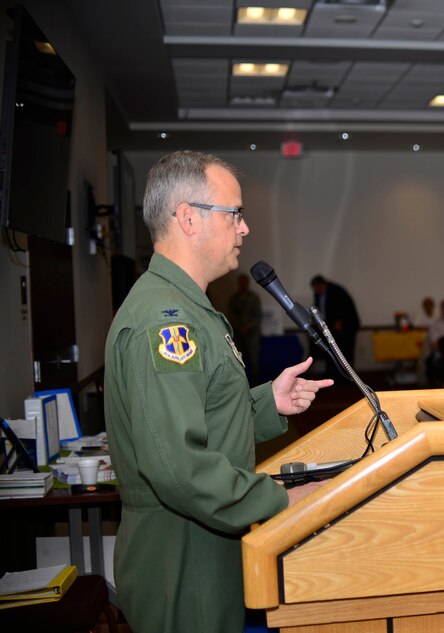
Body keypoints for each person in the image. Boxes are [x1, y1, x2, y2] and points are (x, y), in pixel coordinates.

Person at [103, 151, 334, 633]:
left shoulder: (190, 308)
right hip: (181, 558)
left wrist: (266, 402)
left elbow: (198, 415)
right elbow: (179, 467)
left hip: (201, 540)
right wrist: (281, 500)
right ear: (188, 218)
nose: (244, 228)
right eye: (236, 213)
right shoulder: (166, 321)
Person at [311, 274, 361, 372]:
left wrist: (340, 321)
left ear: (322, 285)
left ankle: (348, 377)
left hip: (346, 326)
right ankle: (333, 374)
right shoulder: (317, 294)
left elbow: (346, 308)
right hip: (330, 327)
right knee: (332, 352)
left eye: (317, 288)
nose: (316, 291)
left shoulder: (336, 291)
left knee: (346, 353)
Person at [225, 273, 262, 384]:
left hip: (252, 335)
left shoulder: (254, 297)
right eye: (240, 283)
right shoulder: (233, 298)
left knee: (255, 361)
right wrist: (239, 327)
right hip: (238, 334)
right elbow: (230, 315)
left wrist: (248, 327)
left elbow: (258, 316)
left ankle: (256, 384)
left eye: (244, 283)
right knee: (239, 361)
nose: (242, 285)